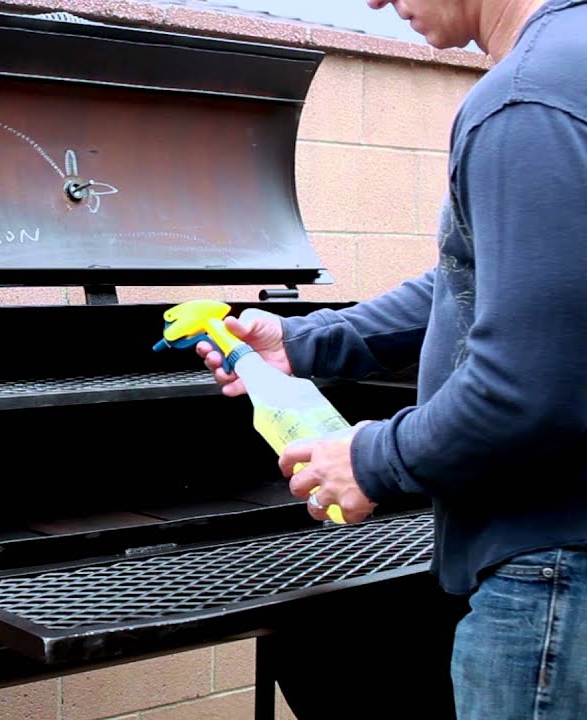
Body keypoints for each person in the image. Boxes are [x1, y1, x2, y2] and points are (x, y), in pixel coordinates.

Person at [195, 1, 587, 718]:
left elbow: (529, 385)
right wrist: (305, 342)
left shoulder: (523, 101)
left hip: (554, 575)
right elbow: (476, 281)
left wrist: (373, 459)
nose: (374, 1)